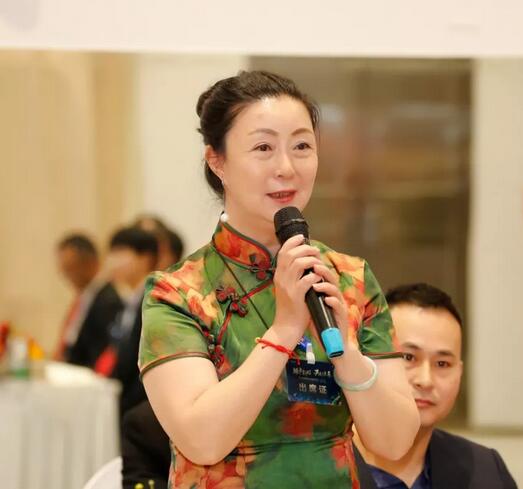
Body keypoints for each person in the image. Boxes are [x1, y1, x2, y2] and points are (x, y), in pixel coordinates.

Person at [139, 70, 419, 488]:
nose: (286, 168)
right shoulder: (177, 292)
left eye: (302, 146)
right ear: (217, 161)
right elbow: (202, 441)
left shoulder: (350, 278)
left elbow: (394, 442)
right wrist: (285, 328)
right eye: (263, 148)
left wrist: (346, 352)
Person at [354, 283, 518, 489]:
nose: (426, 381)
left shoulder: (485, 470)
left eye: (442, 364)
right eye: (408, 357)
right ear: (366, 358)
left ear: (460, 372)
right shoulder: (322, 462)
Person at [96, 227, 159, 416]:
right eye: (111, 254)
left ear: (145, 258)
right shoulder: (129, 300)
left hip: (139, 407)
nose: (112, 261)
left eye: (120, 253)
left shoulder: (154, 300)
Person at [55, 233, 123, 368]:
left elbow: (99, 352)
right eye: (64, 269)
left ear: (90, 262)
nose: (66, 276)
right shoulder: (84, 297)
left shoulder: (107, 301)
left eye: (70, 268)